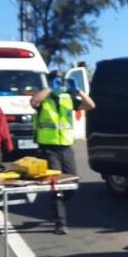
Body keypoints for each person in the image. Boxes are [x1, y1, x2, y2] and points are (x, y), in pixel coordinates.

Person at [30, 69, 95, 234]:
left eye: (61, 81)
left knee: (72, 185)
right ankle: (60, 223)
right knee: (57, 184)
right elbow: (33, 102)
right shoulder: (45, 99)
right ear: (51, 82)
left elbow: (91, 105)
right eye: (56, 81)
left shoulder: (68, 99)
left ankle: (54, 205)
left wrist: (78, 90)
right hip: (48, 148)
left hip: (66, 147)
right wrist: (50, 89)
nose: (59, 84)